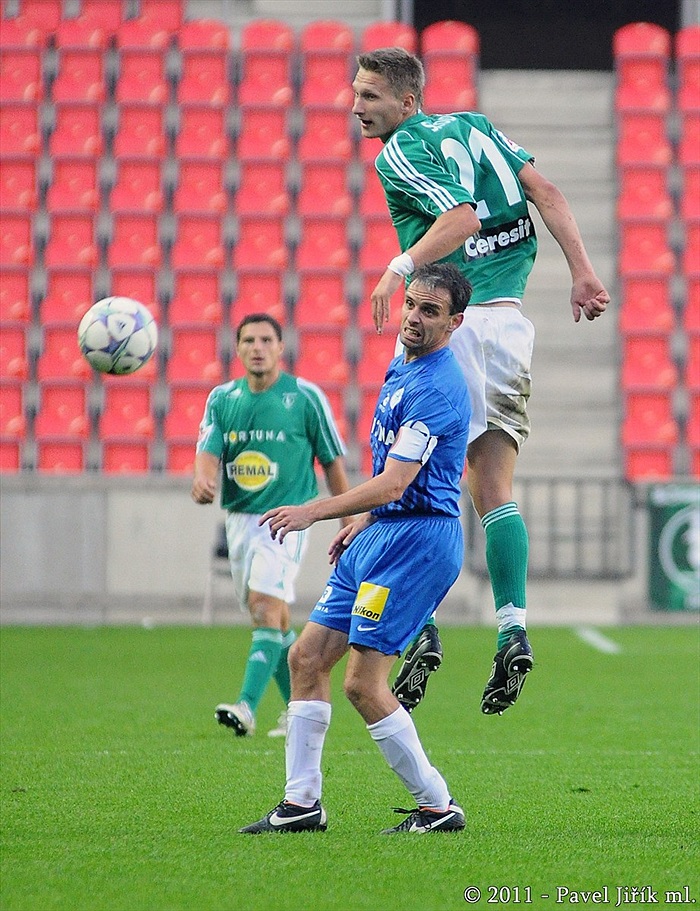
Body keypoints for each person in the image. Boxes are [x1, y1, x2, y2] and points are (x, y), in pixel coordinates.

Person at [352, 47, 610, 716]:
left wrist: (398, 266)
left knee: (402, 484)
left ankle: (419, 629)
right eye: (357, 94)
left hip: (450, 329)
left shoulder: (398, 151)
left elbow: (462, 216)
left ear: (406, 103)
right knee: (494, 492)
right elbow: (547, 193)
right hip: (509, 325)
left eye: (371, 96)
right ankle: (513, 627)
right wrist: (582, 271)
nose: (358, 106)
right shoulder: (477, 125)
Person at [239, 264, 472, 835]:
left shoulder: (439, 387)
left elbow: (397, 481)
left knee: (362, 685)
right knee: (306, 659)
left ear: (455, 322)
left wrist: (313, 511)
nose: (413, 317)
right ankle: (301, 804)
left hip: (417, 543)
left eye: (430, 311)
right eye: (412, 306)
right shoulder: (404, 362)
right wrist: (364, 517)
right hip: (382, 531)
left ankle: (437, 806)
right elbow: (399, 479)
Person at [191, 313, 350, 738]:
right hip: (238, 522)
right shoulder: (223, 399)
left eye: (266, 340)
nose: (257, 347)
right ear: (238, 349)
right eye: (248, 340)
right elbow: (208, 448)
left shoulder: (304, 397)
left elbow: (332, 461)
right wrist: (203, 478)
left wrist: (347, 521)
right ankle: (300, 705)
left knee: (264, 606)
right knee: (272, 619)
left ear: (281, 348)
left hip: (286, 521)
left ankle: (246, 705)